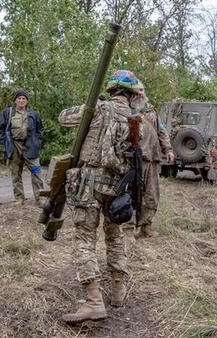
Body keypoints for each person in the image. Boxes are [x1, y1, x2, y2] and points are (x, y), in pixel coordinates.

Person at [58, 70, 145, 324]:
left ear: (112, 91)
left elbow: (64, 118)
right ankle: (117, 293)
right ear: (131, 95)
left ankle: (94, 302)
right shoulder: (136, 119)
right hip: (118, 187)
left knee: (85, 238)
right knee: (115, 235)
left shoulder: (98, 108)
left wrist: (89, 106)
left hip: (89, 183)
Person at [130, 80, 174, 239]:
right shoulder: (127, 109)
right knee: (131, 193)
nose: (140, 92)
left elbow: (161, 131)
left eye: (142, 89)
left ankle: (146, 227)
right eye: (137, 90)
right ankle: (128, 228)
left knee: (151, 194)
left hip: (153, 158)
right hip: (134, 159)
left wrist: (168, 149)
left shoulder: (151, 110)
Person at [0, 89, 44, 206]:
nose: (21, 101)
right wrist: (6, 143)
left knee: (36, 172)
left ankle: (40, 199)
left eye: (24, 99)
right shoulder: (8, 113)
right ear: (15, 101)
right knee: (16, 173)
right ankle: (19, 199)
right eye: (19, 98)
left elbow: (40, 130)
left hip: (30, 146)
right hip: (14, 146)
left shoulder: (33, 114)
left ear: (26, 101)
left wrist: (37, 142)